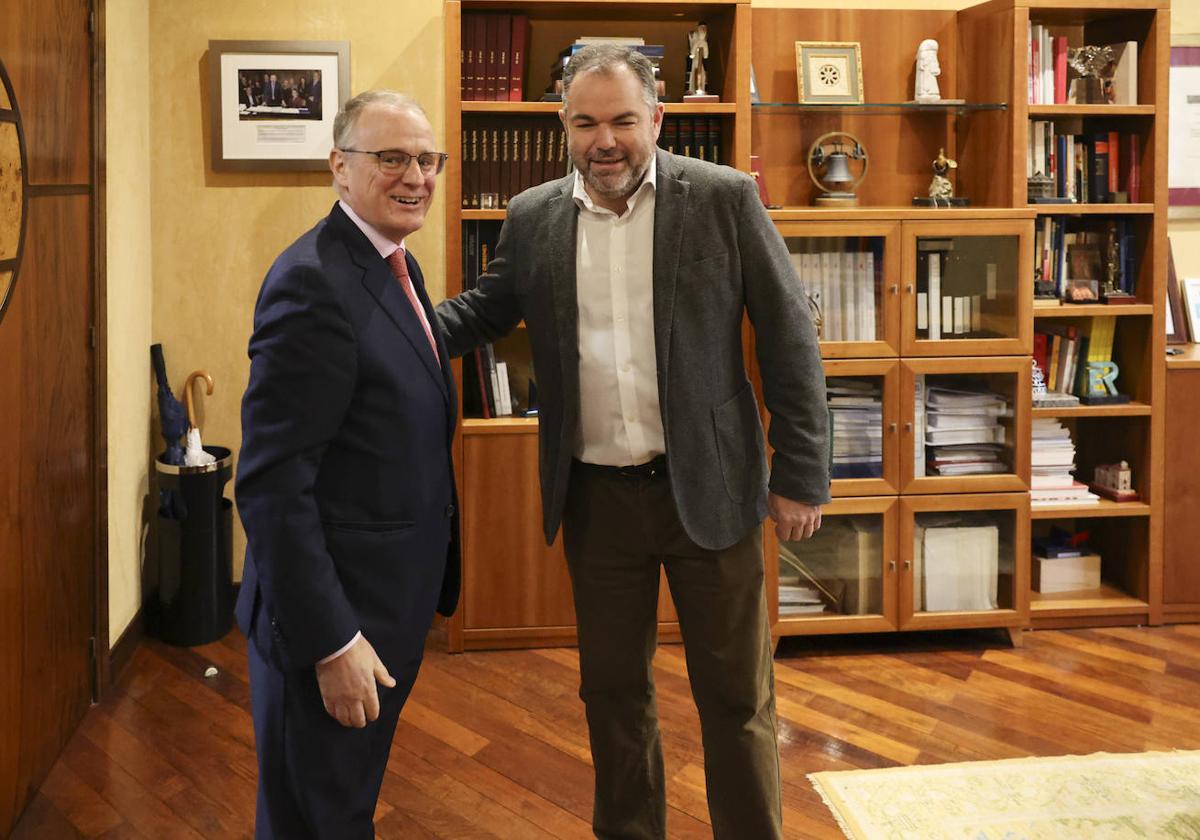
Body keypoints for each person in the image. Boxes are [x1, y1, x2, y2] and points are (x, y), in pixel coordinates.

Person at [436, 44, 829, 840]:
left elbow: (789, 335)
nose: (604, 140)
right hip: (597, 501)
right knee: (612, 694)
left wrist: (803, 474)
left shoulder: (722, 198)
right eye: (585, 123)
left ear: (656, 118)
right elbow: (483, 312)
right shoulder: (534, 215)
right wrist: (386, 315)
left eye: (621, 120)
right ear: (563, 127)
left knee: (737, 699)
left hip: (709, 491)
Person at [236, 90, 458, 839]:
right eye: (391, 158)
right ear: (339, 166)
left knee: (342, 807)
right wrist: (333, 642)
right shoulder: (314, 283)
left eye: (428, 160)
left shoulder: (391, 261)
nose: (416, 176)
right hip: (332, 626)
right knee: (315, 820)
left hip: (382, 609)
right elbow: (272, 485)